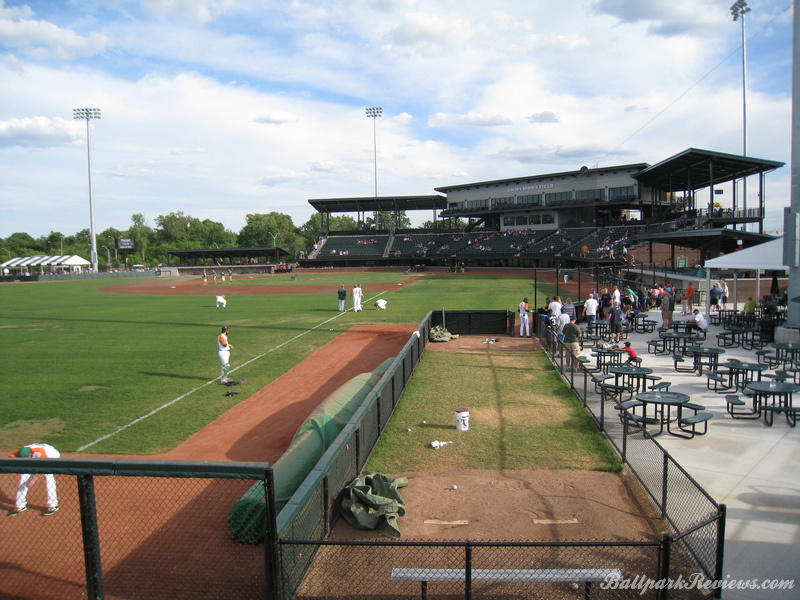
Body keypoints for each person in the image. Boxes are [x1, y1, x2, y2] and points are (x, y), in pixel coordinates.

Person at [8, 443, 60, 516]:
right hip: (37, 456)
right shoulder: (20, 452)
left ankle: (53, 505)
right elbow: (8, 460)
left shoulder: (41, 453)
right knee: (23, 478)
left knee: (48, 477)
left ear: (30, 454)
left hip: (51, 456)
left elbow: (44, 468)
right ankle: (20, 505)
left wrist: (33, 479)